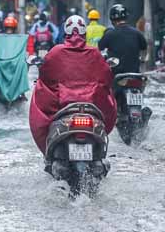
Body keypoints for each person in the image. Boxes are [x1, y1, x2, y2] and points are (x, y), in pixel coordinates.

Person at [29, 15, 117, 153]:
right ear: (84, 32)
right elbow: (106, 78)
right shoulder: (94, 53)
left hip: (62, 105)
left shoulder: (56, 52)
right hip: (92, 105)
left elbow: (45, 76)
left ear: (66, 32)